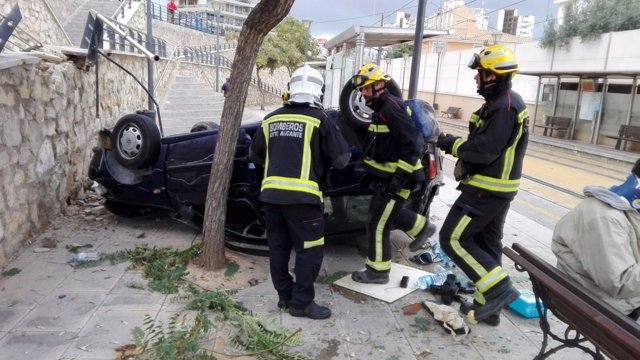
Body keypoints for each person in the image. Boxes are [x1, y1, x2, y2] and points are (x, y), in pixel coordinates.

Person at [436, 45, 529, 325]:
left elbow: (483, 151)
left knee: (452, 239)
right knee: (488, 243)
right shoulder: (501, 102)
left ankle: (500, 290)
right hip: (497, 189)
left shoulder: (505, 106)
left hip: (486, 190)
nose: (477, 78)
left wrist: (451, 144)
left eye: (482, 73)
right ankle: (487, 306)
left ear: (496, 76)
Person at [249, 65, 350, 320]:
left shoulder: (270, 118)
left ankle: (285, 297)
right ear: (319, 91)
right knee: (309, 251)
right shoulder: (320, 119)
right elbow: (342, 160)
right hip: (303, 202)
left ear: (290, 89)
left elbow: (255, 156)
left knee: (279, 249)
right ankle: (302, 303)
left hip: (271, 199)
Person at [348, 63, 437, 285]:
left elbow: (414, 144)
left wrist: (398, 179)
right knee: (389, 213)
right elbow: (383, 147)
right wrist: (371, 172)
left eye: (366, 89)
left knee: (377, 222)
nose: (363, 94)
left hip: (399, 179)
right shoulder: (381, 109)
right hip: (388, 178)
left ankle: (378, 272)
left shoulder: (390, 108)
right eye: (362, 90)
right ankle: (424, 228)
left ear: (379, 85)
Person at [552, 159, 640, 320]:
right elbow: (620, 283)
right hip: (603, 309)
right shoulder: (605, 218)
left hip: (600, 300)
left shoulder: (627, 207)